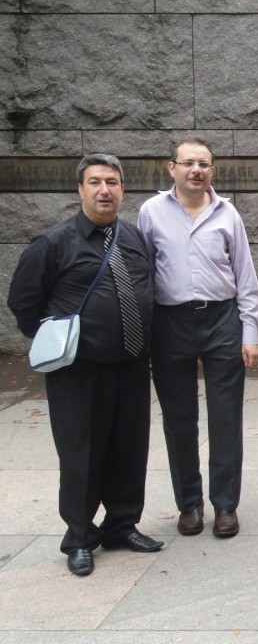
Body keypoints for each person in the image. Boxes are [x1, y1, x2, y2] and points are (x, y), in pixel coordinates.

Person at [7, 154, 162, 576]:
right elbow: (23, 303)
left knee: (129, 449)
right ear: (79, 190)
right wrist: (59, 340)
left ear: (122, 189)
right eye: (94, 182)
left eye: (112, 182)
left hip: (130, 363)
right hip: (79, 371)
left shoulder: (132, 237)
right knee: (82, 454)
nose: (104, 190)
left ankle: (122, 525)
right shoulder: (53, 244)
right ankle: (79, 536)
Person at [137, 138, 258, 539]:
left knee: (225, 418)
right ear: (170, 167)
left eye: (204, 164)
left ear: (213, 171)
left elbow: (245, 275)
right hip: (169, 323)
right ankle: (189, 503)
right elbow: (142, 275)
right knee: (179, 419)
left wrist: (250, 331)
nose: (196, 170)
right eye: (188, 163)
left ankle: (225, 505)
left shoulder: (228, 215)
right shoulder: (151, 213)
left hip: (222, 320)